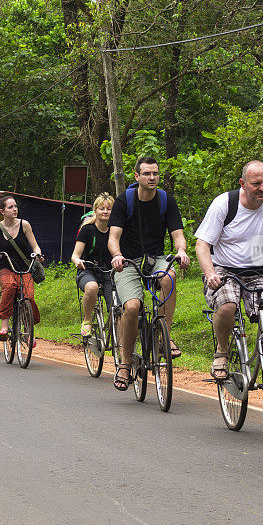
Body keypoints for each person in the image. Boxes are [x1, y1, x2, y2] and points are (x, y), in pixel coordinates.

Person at [195, 160, 263, 379]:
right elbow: (202, 245)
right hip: (224, 268)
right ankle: (222, 352)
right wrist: (210, 273)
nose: (262, 188)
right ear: (243, 183)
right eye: (256, 183)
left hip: (260, 271)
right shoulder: (225, 204)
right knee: (226, 306)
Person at [109, 156, 190, 391]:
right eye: (146, 173)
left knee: (169, 276)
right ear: (137, 176)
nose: (152, 177)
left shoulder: (166, 200)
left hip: (156, 259)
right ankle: (125, 364)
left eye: (155, 173)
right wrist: (116, 255)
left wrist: (182, 251)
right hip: (128, 261)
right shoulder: (125, 201)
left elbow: (177, 235)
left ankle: (164, 334)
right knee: (132, 307)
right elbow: (114, 238)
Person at [0, 194, 43, 343]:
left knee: (28, 296)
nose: (14, 209)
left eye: (16, 206)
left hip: (24, 267)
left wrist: (38, 254)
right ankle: (4, 326)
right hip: (3, 267)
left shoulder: (25, 225)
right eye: (10, 207)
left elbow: (35, 245)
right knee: (10, 285)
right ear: (2, 211)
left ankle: (28, 332)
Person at [71, 192, 114, 337]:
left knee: (117, 307)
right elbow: (75, 255)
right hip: (87, 270)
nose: (105, 212)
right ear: (95, 210)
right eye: (102, 208)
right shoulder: (87, 229)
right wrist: (77, 261)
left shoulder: (116, 230)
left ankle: (121, 348)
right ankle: (87, 320)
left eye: (109, 209)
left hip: (109, 272)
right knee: (92, 287)